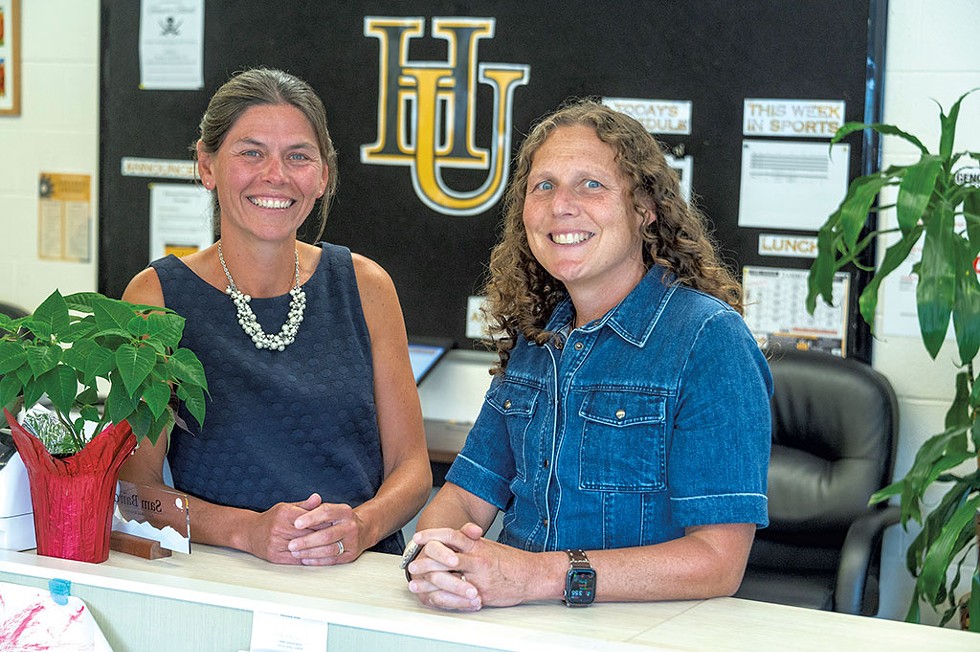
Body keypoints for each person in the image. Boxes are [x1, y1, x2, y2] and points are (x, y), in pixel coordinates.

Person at [405, 99, 772, 610]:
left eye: (591, 184)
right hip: (517, 628)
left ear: (644, 209)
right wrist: (438, 558)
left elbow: (717, 561)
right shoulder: (537, 339)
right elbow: (466, 495)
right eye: (544, 186)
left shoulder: (709, 340)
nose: (561, 205)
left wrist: (538, 577)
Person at [120, 67, 431, 565]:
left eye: (298, 156)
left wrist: (362, 525)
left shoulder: (366, 286)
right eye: (251, 152)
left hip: (356, 572)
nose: (276, 175)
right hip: (222, 574)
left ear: (323, 174)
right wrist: (247, 531)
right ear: (206, 165)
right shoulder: (155, 297)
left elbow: (413, 469)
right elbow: (133, 490)